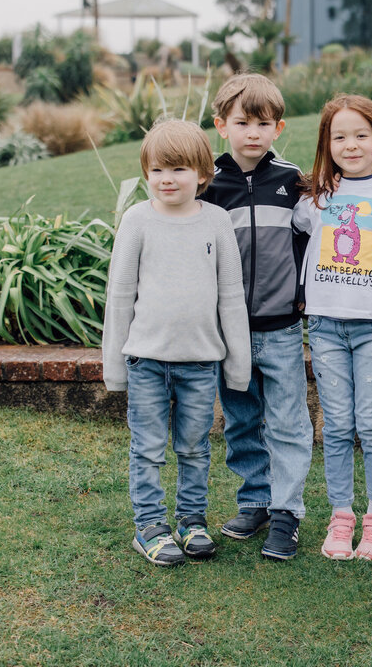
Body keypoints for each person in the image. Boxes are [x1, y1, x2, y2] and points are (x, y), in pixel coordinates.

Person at [102, 119, 251, 567]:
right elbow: (120, 293)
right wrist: (114, 366)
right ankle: (150, 526)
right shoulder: (137, 220)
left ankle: (191, 522)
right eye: (158, 170)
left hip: (199, 364)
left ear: (203, 174)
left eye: (180, 169)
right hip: (146, 360)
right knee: (147, 447)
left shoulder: (217, 221)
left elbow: (231, 295)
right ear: (147, 173)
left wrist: (237, 364)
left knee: (193, 446)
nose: (168, 179)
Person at [293, 94, 372, 562]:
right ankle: (341, 514)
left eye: (361, 135)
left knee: (370, 423)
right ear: (327, 143)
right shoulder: (317, 196)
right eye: (339, 136)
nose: (350, 144)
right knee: (337, 425)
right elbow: (294, 228)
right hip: (325, 325)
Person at [205, 74, 312, 561]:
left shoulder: (292, 182)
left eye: (263, 123)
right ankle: (256, 499)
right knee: (242, 418)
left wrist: (304, 292)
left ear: (279, 127)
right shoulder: (208, 185)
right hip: (229, 329)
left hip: (282, 327)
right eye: (242, 122)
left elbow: (313, 242)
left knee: (288, 420)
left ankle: (287, 512)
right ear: (221, 125)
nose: (253, 132)